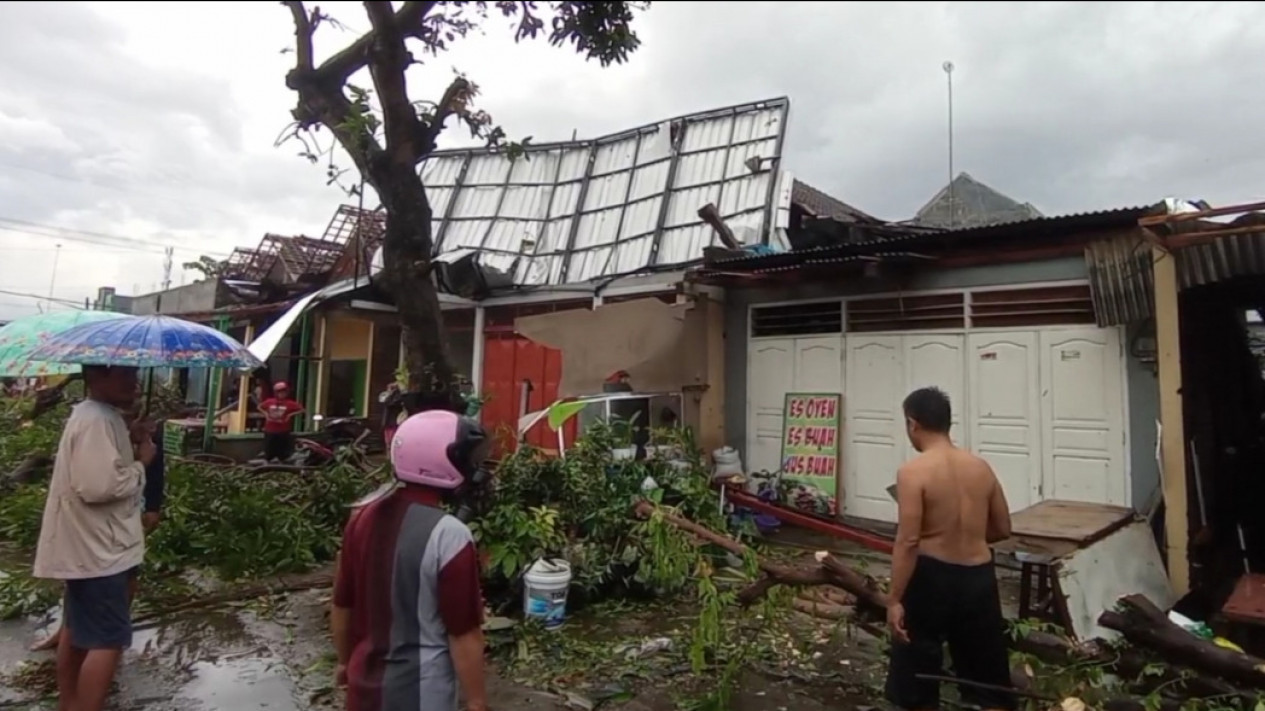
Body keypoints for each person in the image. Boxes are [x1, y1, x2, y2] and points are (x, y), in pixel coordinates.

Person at [332, 410, 491, 711]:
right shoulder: (450, 535)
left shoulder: (360, 517)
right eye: (467, 460)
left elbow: (342, 605)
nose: (474, 470)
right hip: (420, 693)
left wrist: (343, 663)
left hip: (362, 687)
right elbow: (464, 632)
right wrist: (477, 702)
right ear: (440, 461)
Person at [32, 365, 155, 711]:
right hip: (101, 549)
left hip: (92, 546)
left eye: (134, 374)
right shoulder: (97, 420)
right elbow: (99, 487)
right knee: (107, 640)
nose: (133, 382)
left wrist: (129, 438)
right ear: (96, 377)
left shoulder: (100, 416)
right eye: (123, 375)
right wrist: (142, 464)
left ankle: (70, 704)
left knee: (78, 627)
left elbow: (101, 467)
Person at [884, 387, 1014, 711]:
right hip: (979, 579)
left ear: (913, 424)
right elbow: (1002, 528)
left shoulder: (913, 472)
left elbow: (908, 541)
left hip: (932, 578)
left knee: (916, 674)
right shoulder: (980, 467)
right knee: (988, 676)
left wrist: (894, 599)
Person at [30, 413, 165, 654]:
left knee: (127, 574)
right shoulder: (96, 421)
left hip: (128, 510)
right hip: (99, 522)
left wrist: (153, 505)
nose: (133, 391)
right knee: (83, 580)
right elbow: (99, 483)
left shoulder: (145, 426)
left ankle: (108, 628)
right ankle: (73, 632)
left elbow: (155, 466)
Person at [258, 381, 304, 462]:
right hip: (270, 430)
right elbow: (260, 407)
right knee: (269, 450)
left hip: (283, 430)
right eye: (280, 392)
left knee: (283, 452)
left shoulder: (290, 403)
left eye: (284, 392)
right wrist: (266, 415)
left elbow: (301, 410)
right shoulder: (270, 401)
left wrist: (289, 415)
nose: (282, 394)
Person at [377, 382, 404, 449]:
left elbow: (390, 404)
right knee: (387, 439)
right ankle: (388, 453)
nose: (388, 390)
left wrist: (390, 395)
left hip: (392, 421)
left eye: (390, 388)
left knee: (392, 439)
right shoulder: (389, 396)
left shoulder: (397, 396)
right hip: (387, 421)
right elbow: (382, 401)